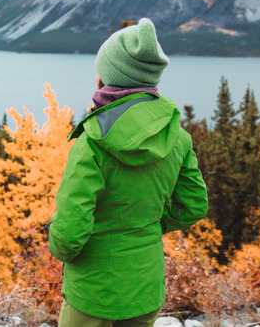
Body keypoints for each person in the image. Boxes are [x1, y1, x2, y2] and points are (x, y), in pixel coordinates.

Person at [48, 18, 208, 327]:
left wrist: (55, 240)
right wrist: (144, 227)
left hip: (93, 295)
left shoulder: (92, 142)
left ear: (109, 76)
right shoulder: (177, 136)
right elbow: (193, 206)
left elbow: (67, 237)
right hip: (144, 290)